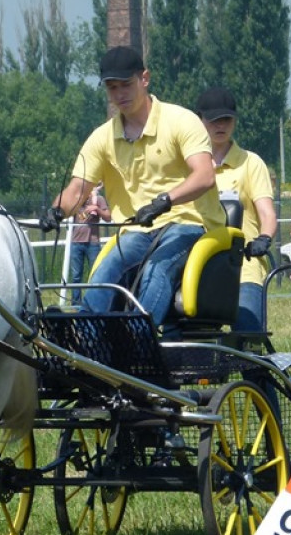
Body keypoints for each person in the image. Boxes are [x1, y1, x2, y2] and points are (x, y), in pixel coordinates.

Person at [39, 46, 223, 326]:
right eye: (112, 88)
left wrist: (164, 201)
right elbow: (78, 189)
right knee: (106, 269)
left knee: (156, 268)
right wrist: (56, 211)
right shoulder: (102, 137)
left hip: (189, 225)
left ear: (144, 79)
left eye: (126, 85)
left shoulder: (181, 121)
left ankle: (138, 342)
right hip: (137, 230)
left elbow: (204, 176)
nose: (119, 94)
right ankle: (85, 345)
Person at [196, 86, 277, 332]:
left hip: (245, 267)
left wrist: (264, 237)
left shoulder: (251, 163)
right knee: (193, 343)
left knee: (248, 333)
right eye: (213, 120)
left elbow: (267, 213)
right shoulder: (189, 167)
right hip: (198, 267)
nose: (221, 126)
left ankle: (255, 370)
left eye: (227, 120)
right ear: (199, 121)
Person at [67, 183, 110, 304]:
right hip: (76, 242)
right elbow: (66, 210)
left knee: (96, 274)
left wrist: (96, 209)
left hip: (93, 243)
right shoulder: (77, 200)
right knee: (76, 276)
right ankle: (76, 304)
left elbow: (108, 217)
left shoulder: (99, 200)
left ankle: (94, 302)